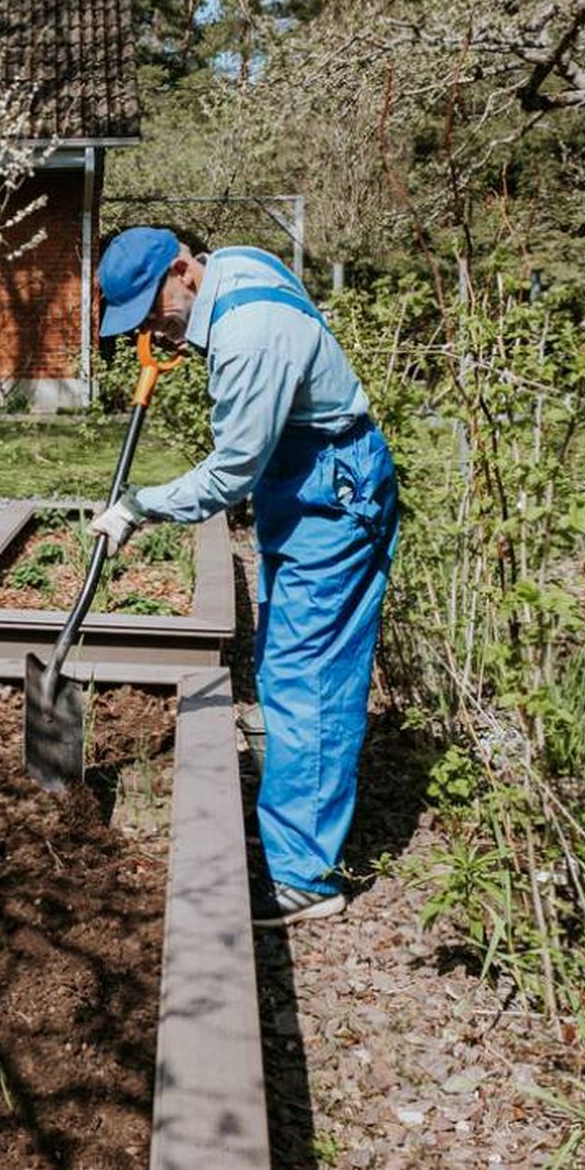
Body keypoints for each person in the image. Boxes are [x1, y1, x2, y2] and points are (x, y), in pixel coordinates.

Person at [91, 227, 398, 927]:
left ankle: (305, 879)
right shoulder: (234, 266)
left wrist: (138, 507)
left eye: (151, 309)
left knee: (307, 674)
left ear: (182, 271)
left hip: (331, 487)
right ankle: (293, 811)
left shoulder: (247, 338)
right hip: (308, 477)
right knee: (284, 658)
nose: (152, 328)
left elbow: (230, 473)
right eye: (137, 321)